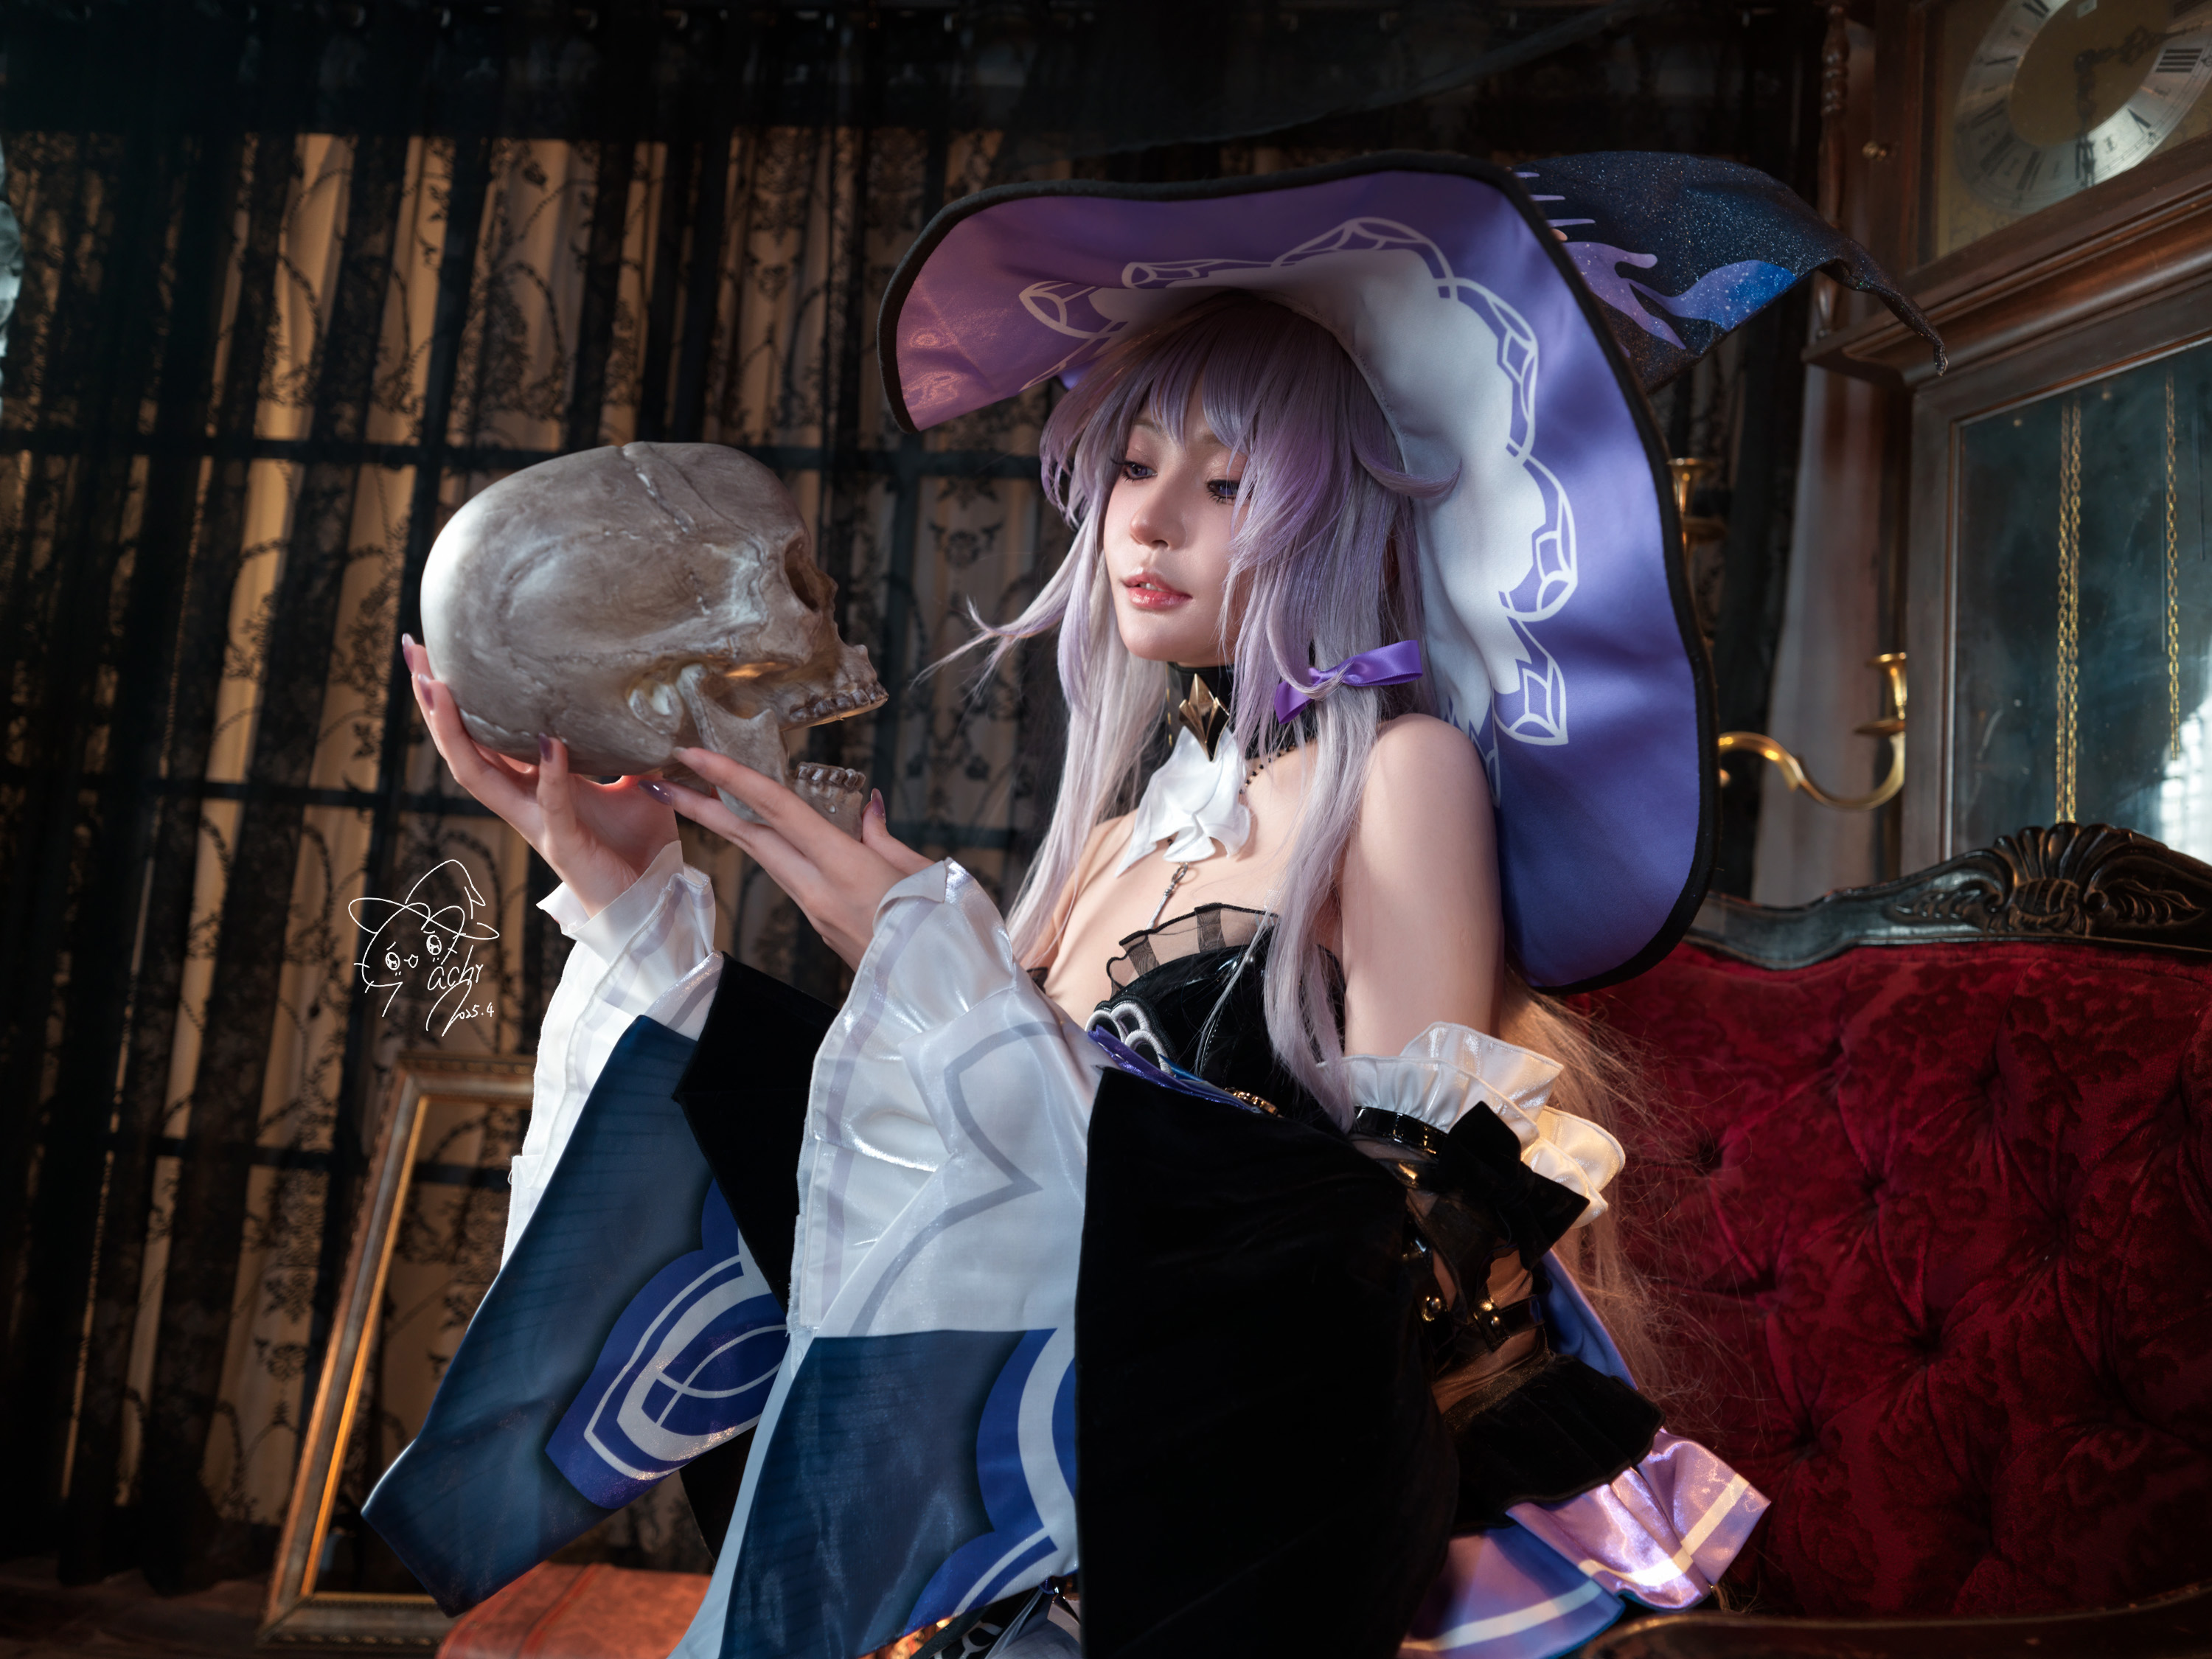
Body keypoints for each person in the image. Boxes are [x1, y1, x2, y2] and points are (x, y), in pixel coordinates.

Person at [385, 151, 1948, 1657]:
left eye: (1227, 481)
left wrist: (941, 966)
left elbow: (1405, 1238)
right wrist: (630, 899)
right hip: (1108, 1486)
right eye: (1135, 466)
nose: (1150, 520)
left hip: (1288, 1507)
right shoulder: (1115, 835)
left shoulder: (1400, 776)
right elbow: (940, 1208)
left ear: (1336, 509)